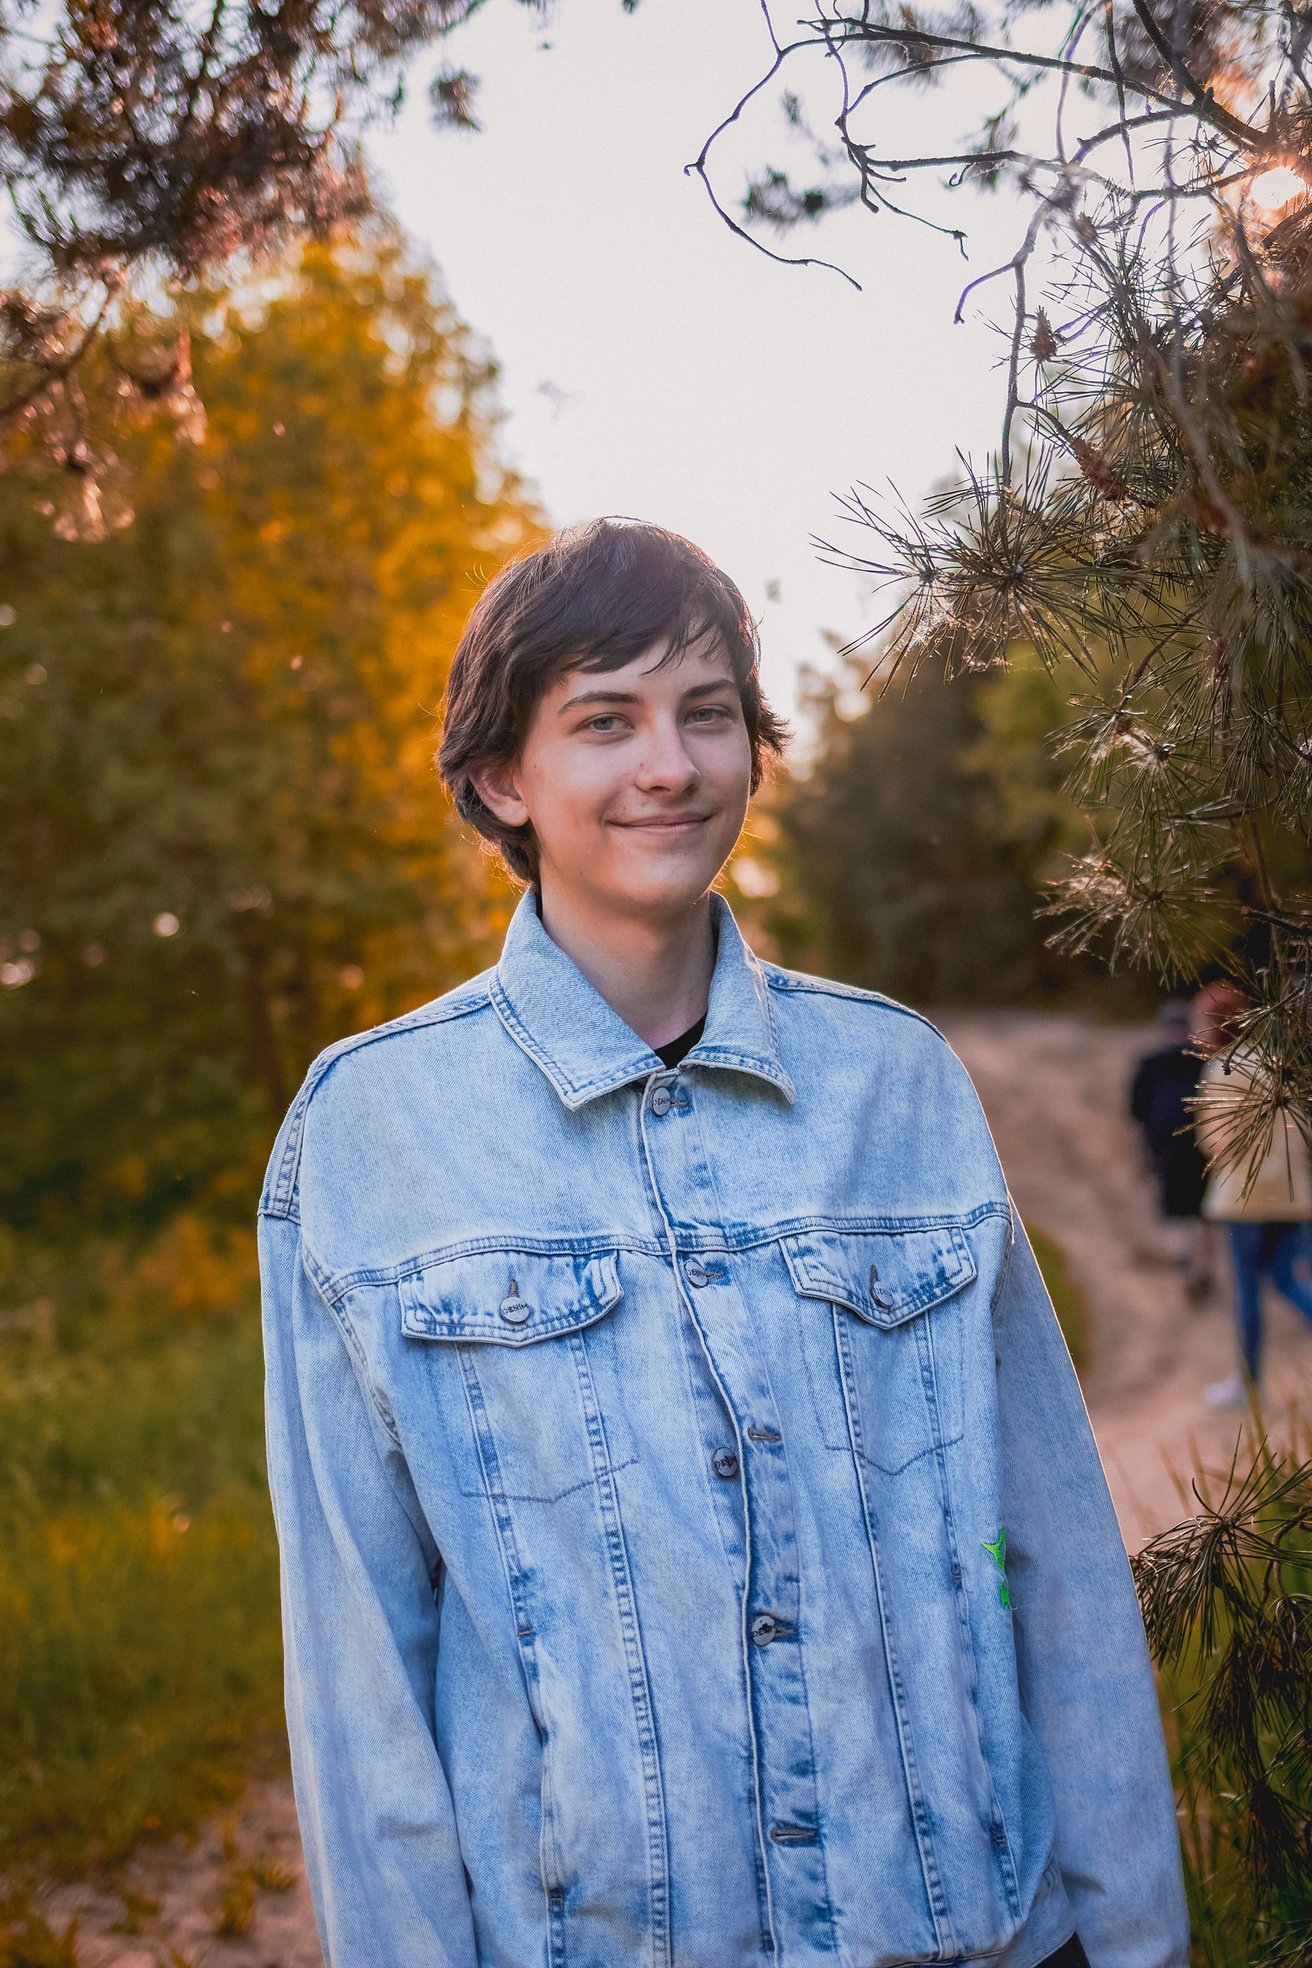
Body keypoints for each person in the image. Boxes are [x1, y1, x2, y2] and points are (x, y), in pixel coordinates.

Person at [258, 519, 1188, 1968]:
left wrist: (1134, 1937)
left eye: (707, 715)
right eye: (605, 722)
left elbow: (1049, 1559)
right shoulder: (374, 1131)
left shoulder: (898, 1084)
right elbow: (363, 1673)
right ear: (504, 775)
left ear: (755, 749)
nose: (670, 767)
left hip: (973, 1940)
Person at [1194, 984, 1312, 1409]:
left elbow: (1215, 1140)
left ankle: (1248, 1383)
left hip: (1243, 1198)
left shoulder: (1221, 1070)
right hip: (1292, 1192)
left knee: (1246, 1289)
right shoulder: (1273, 1064)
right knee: (1287, 1278)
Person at [1128, 1001, 1212, 1300]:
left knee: (1173, 1211)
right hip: (1201, 1148)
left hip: (1164, 1149)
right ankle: (1201, 1269)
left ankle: (1187, 1264)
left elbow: (1138, 1114)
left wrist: (1141, 1157)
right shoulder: (1203, 1062)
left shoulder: (1150, 1063)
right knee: (1201, 1212)